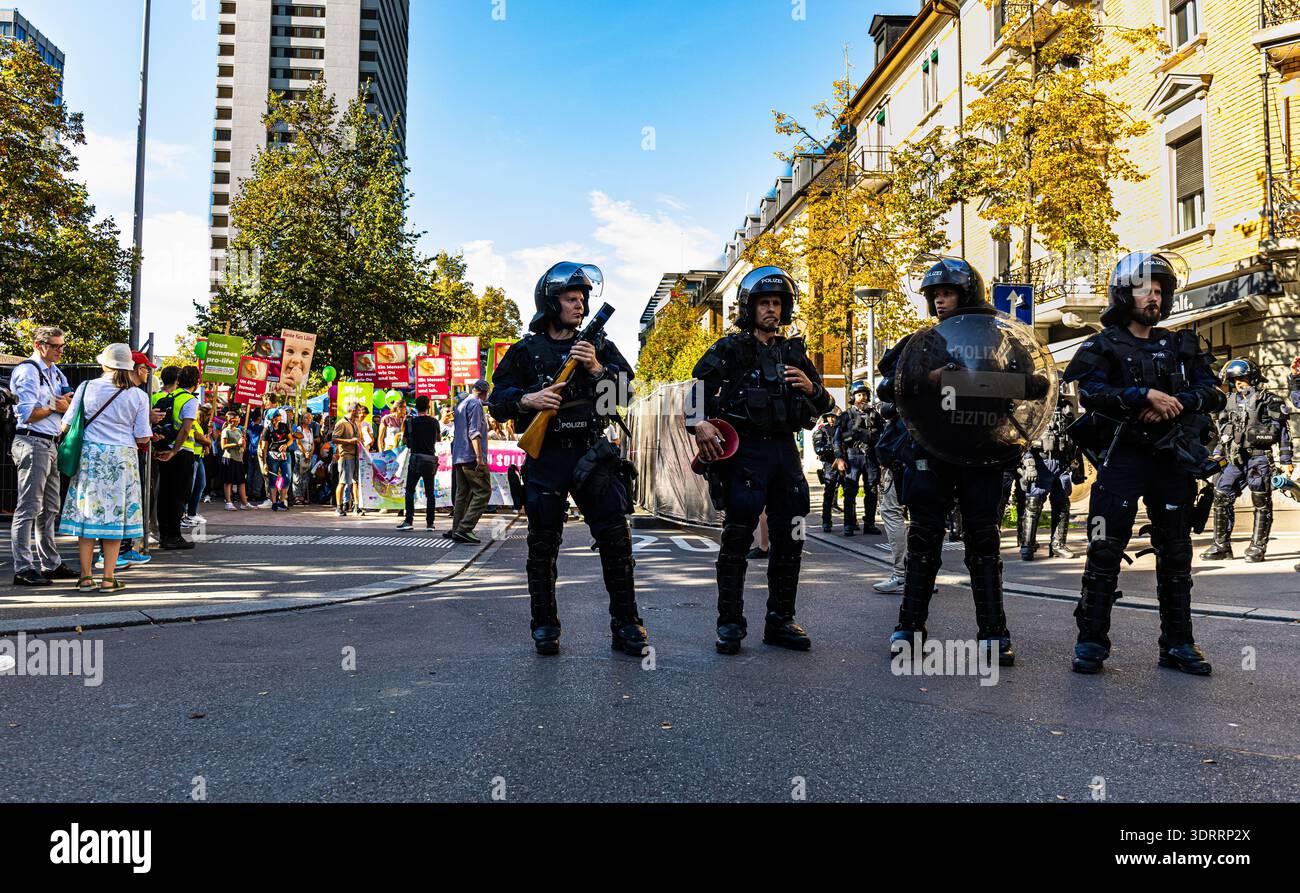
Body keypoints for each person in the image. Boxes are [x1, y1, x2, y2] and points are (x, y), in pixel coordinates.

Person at [1062, 251, 1225, 675]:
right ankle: (1092, 641)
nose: (1152, 298)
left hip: (1172, 460)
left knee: (1176, 553)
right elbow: (1089, 391)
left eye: (1158, 291)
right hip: (1123, 459)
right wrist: (1140, 397)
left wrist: (1175, 402)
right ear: (1123, 294)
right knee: (1103, 549)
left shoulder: (1181, 344)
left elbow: (1213, 393)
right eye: (1144, 290)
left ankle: (1178, 643)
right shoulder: (1102, 344)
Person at [489, 261, 645, 656]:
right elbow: (498, 402)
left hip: (592, 454)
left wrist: (595, 367)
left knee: (615, 541)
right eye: (571, 299)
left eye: (582, 299)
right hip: (547, 458)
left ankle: (626, 626)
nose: (579, 306)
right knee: (542, 546)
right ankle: (545, 627)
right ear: (550, 302)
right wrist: (528, 399)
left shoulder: (600, 348)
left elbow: (624, 397)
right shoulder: (526, 350)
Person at [878, 259, 1018, 666]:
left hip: (981, 450)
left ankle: (994, 633)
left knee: (984, 543)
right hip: (932, 452)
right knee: (923, 541)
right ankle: (909, 627)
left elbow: (1034, 383)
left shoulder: (998, 339)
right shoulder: (922, 342)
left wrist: (979, 380)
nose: (940, 300)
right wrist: (930, 378)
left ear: (967, 294)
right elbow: (889, 386)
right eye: (935, 295)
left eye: (948, 293)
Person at [690, 265, 836, 655]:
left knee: (790, 539)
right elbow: (693, 395)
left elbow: (827, 404)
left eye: (776, 303)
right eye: (763, 303)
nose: (771, 310)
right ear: (748, 308)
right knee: (736, 540)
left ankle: (781, 620)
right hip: (744, 453)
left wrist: (812, 388)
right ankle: (730, 624)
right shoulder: (729, 350)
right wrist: (700, 425)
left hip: (784, 451)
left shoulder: (794, 353)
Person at [56, 345, 152, 591]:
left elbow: (66, 424)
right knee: (116, 518)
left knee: (88, 514)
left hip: (91, 456)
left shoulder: (86, 387)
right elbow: (142, 436)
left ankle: (86, 577)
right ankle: (109, 577)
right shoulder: (139, 396)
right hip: (122, 458)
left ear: (104, 364)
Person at [1200, 358, 1292, 562]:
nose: (1239, 382)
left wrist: (1286, 460)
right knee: (1221, 495)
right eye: (1235, 379)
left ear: (1253, 377)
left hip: (1259, 458)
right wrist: (1217, 453)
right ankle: (1221, 546)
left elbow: (1284, 432)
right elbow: (1223, 432)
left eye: (1242, 378)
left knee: (1261, 501)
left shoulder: (1269, 400)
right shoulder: (1228, 401)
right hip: (1235, 458)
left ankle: (1257, 548)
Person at [9, 325, 74, 586]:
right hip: (32, 441)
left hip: (49, 443)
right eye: (55, 346)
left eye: (61, 346)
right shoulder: (28, 371)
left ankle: (50, 563)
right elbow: (26, 413)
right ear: (39, 345)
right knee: (28, 507)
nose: (60, 350)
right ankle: (23, 567)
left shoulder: (54, 372)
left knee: (49, 508)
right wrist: (53, 406)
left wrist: (61, 406)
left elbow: (68, 404)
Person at [1017, 396, 1084, 560]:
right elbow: (1022, 438)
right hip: (1041, 462)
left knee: (1062, 505)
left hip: (1062, 462)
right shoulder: (1033, 408)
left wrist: (1078, 468)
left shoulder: (1066, 408)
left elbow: (1076, 438)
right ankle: (1027, 545)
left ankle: (1057, 544)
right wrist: (1028, 462)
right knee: (1033, 504)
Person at [152, 365, 200, 551]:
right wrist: (175, 450)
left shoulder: (166, 397)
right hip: (181, 452)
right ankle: (173, 536)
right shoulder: (189, 400)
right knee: (178, 495)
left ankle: (166, 534)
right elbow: (186, 428)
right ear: (197, 383)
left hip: (163, 449)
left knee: (165, 494)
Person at [833, 381, 884, 536]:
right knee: (850, 491)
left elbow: (883, 437)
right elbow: (836, 440)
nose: (862, 398)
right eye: (859, 394)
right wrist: (840, 459)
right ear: (853, 396)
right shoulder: (845, 416)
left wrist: (883, 459)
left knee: (872, 490)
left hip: (871, 457)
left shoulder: (875, 415)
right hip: (853, 457)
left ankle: (869, 524)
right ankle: (849, 524)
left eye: (864, 394)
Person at [451, 379, 492, 544]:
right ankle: (465, 528)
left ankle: (456, 529)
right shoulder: (475, 405)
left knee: (462, 494)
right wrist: (480, 457)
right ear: (484, 392)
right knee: (483, 492)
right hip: (471, 456)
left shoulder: (461, 404)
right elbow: (474, 432)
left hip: (459, 455)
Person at [397, 394, 440, 531]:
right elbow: (438, 438)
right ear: (428, 407)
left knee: (410, 490)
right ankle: (430, 523)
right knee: (430, 493)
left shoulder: (411, 422)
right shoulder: (434, 422)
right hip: (429, 460)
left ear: (415, 407)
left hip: (415, 459)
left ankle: (409, 520)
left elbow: (404, 441)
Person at [182, 404, 213, 530]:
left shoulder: (202, 426)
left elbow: (204, 440)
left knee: (201, 484)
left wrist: (207, 441)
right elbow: (197, 437)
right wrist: (207, 442)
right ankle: (183, 514)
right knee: (187, 487)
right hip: (191, 456)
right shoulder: (193, 422)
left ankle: (191, 513)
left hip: (198, 457)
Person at [333, 403, 366, 516]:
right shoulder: (342, 423)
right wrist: (350, 441)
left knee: (356, 482)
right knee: (342, 482)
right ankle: (339, 507)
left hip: (356, 456)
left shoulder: (355, 423)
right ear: (352, 411)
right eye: (358, 411)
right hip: (346, 456)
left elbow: (359, 438)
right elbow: (335, 439)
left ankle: (356, 506)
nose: (359, 413)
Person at [813, 411, 840, 532]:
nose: (831, 419)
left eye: (833, 416)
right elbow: (818, 449)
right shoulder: (822, 430)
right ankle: (826, 521)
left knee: (850, 494)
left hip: (844, 462)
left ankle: (850, 522)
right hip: (830, 464)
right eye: (829, 416)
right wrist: (835, 449)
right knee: (829, 493)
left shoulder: (842, 429)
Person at [261, 413, 294, 511]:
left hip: (285, 455)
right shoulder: (267, 429)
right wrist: (265, 462)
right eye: (275, 418)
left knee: (287, 478)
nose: (277, 420)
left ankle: (282, 501)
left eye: (278, 417)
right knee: (273, 479)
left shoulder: (284, 426)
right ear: (271, 419)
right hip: (272, 455)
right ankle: (274, 503)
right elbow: (264, 448)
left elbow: (291, 439)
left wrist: (286, 445)